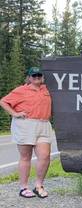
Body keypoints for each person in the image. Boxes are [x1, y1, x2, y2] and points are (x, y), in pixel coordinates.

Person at [0, 67, 55, 199]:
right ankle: (23, 188)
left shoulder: (47, 89)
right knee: (26, 157)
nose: (37, 77)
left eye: (39, 75)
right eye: (34, 75)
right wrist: (15, 113)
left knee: (45, 156)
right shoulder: (21, 90)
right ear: (29, 78)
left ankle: (38, 186)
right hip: (25, 124)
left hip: (44, 124)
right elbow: (3, 101)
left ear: (42, 77)